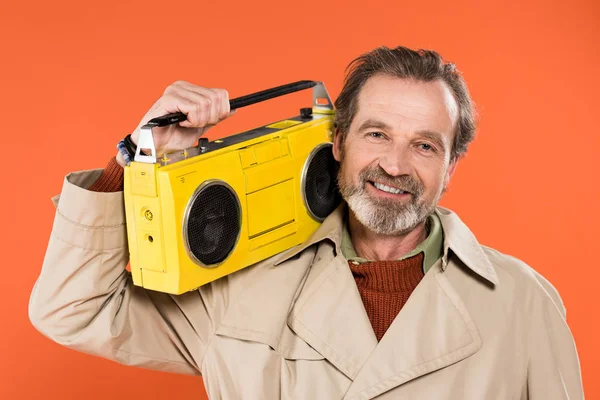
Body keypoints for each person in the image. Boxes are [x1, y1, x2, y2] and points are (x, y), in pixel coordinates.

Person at [29, 46, 584, 399]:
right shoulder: (237, 283)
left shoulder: (525, 304)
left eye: (423, 145)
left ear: (451, 166)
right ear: (338, 142)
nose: (395, 164)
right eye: (376, 134)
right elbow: (74, 309)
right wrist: (135, 155)